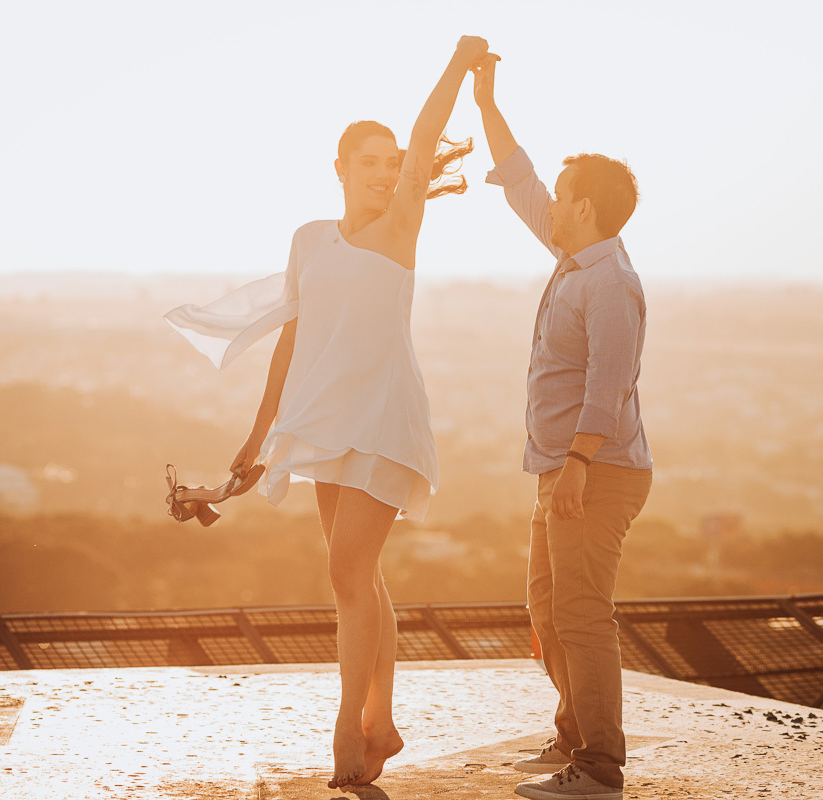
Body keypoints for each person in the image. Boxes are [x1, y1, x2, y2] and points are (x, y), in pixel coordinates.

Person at [165, 35, 493, 789]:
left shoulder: (401, 227)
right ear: (338, 168)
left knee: (347, 572)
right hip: (324, 424)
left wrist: (457, 64)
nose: (384, 172)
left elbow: (423, 139)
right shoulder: (310, 239)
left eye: (392, 163)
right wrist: (257, 439)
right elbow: (291, 340)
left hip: (384, 420)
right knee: (360, 576)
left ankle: (349, 727)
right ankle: (382, 721)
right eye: (367, 162)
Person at [471, 55, 653, 800]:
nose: (551, 201)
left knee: (581, 614)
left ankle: (599, 767)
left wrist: (576, 464)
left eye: (562, 193)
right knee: (548, 609)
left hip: (595, 470)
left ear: (584, 208)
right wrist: (486, 103)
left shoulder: (610, 282)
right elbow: (520, 184)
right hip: (564, 468)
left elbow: (609, 384)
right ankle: (574, 737)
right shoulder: (577, 260)